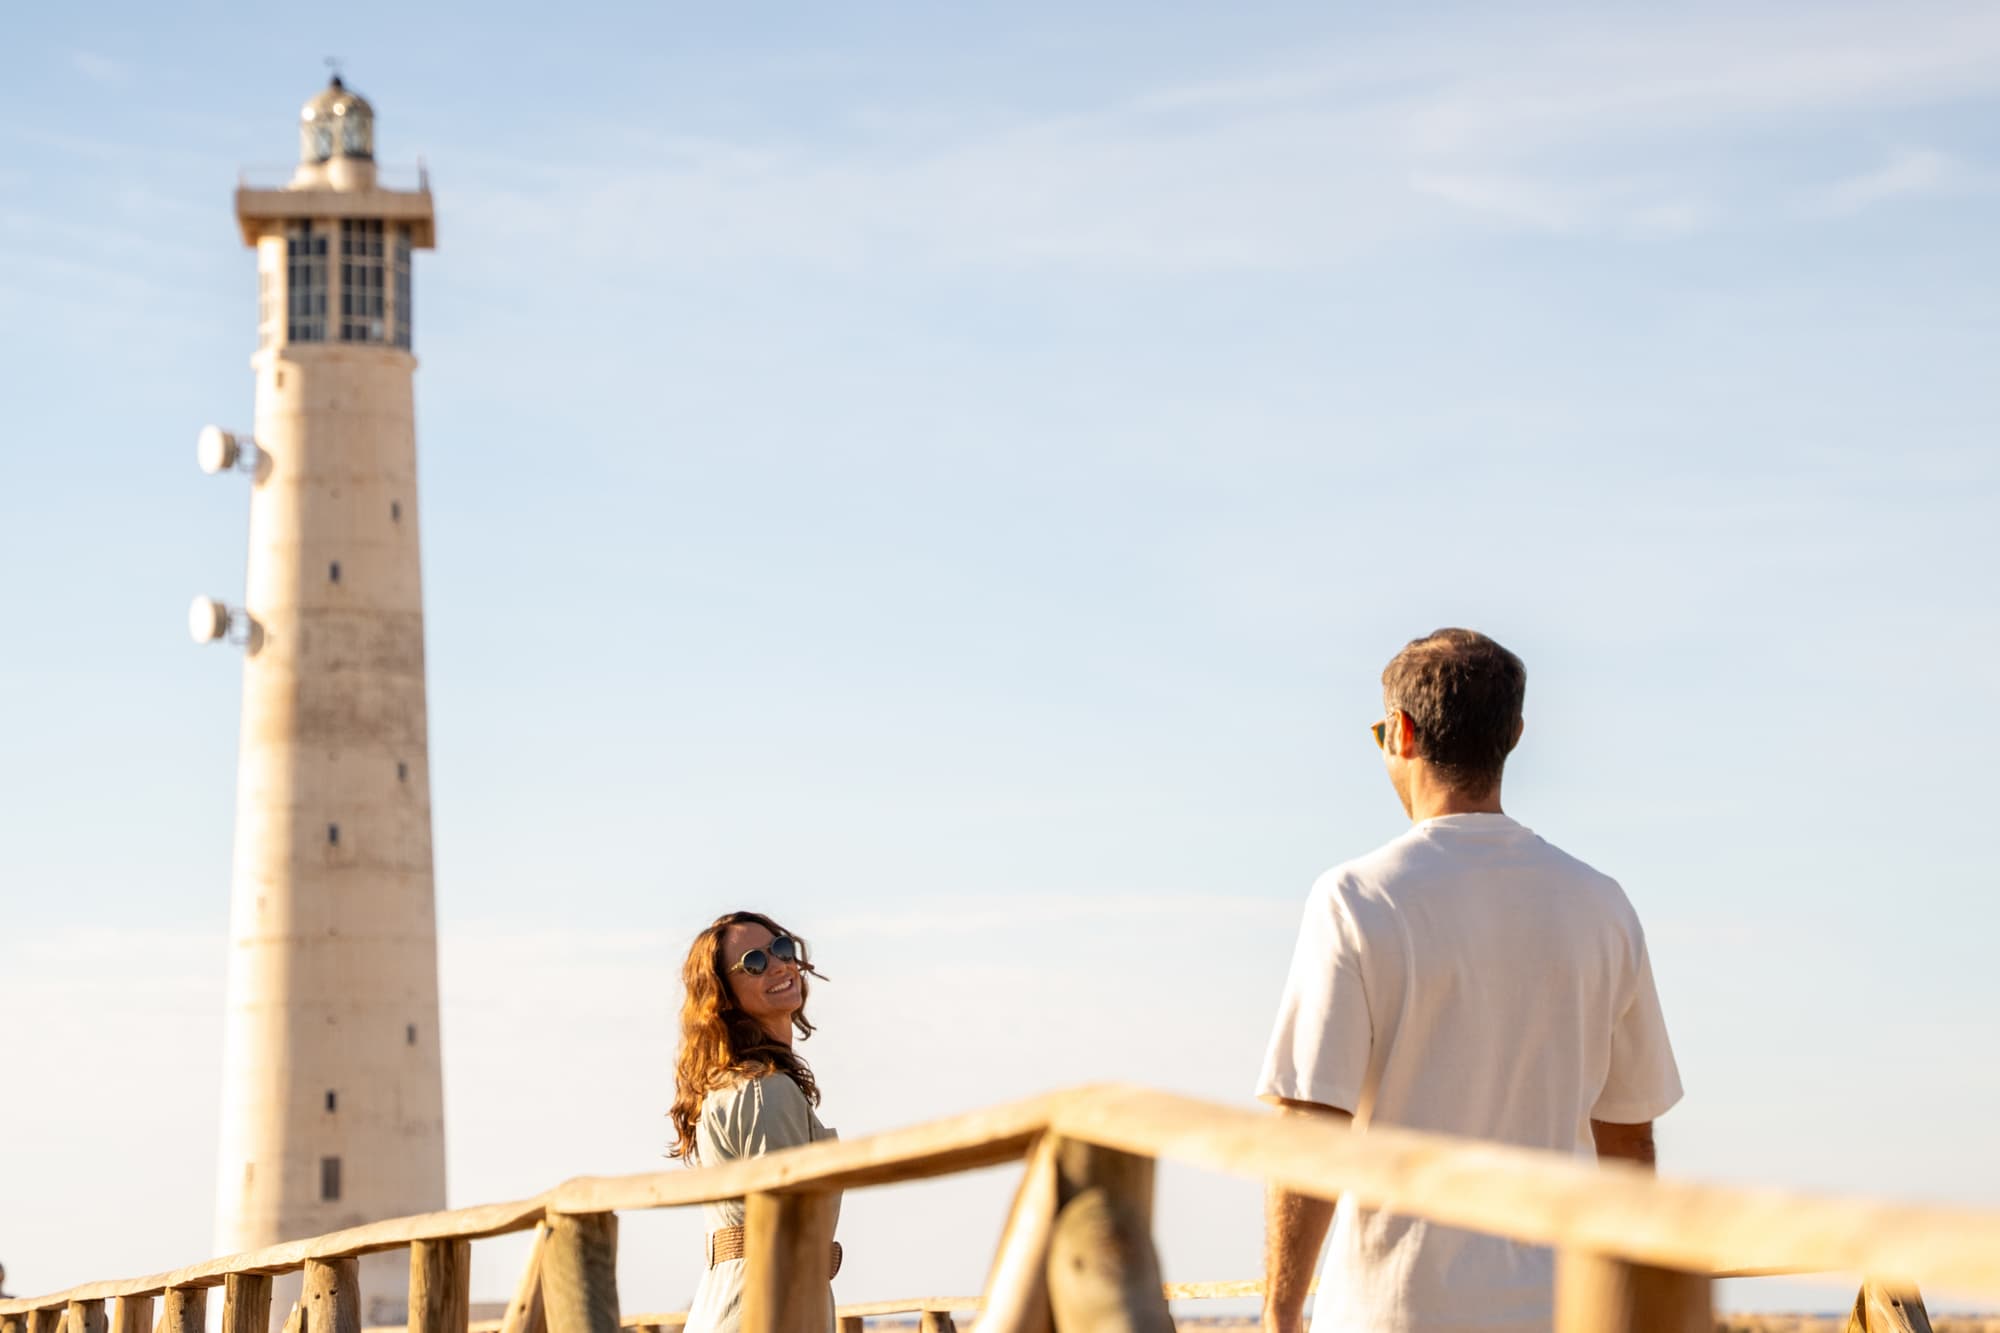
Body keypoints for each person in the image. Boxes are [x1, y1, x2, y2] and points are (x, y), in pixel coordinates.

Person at [1258, 629, 1682, 1333]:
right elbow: (1629, 1140)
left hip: (1391, 1310)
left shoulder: (1355, 898)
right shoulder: (1602, 903)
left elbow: (1310, 1121)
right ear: (1513, 735)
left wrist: (1278, 1310)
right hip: (1558, 1312)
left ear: (1401, 731)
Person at [671, 911, 839, 1333]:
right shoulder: (765, 1089)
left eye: (781, 948)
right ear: (724, 996)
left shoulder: (738, 1084)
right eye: (755, 962)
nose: (780, 964)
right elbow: (783, 1235)